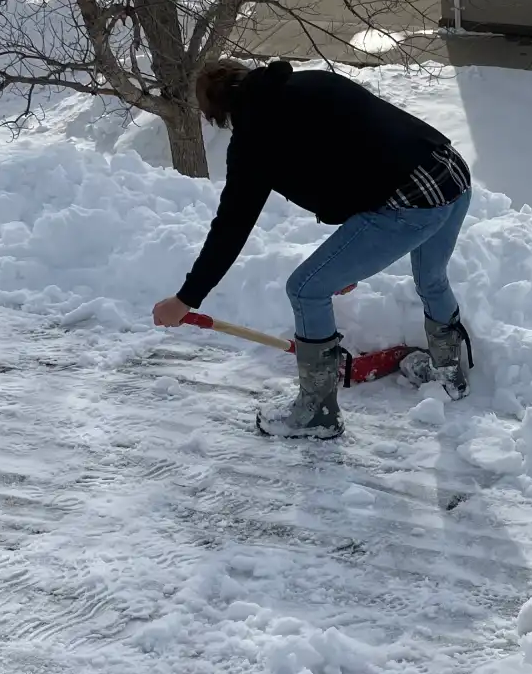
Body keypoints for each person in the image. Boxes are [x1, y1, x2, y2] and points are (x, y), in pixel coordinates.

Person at [151, 58, 473, 439]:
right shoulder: (312, 82)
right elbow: (362, 145)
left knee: (306, 289)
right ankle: (450, 372)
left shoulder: (255, 138)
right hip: (449, 172)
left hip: (414, 200)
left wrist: (187, 297)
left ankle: (317, 411)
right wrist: (351, 261)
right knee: (431, 277)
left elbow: (230, 228)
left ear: (217, 113)